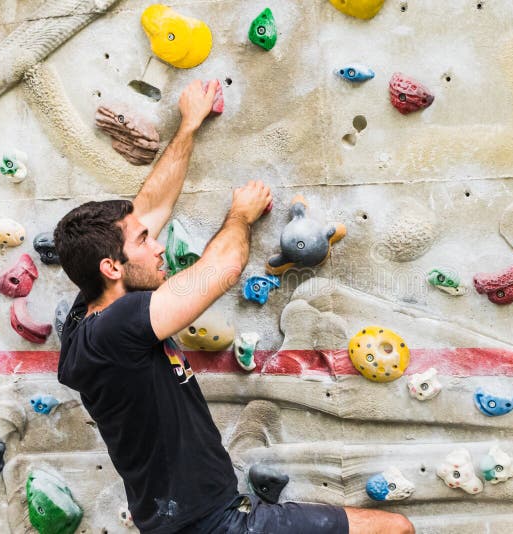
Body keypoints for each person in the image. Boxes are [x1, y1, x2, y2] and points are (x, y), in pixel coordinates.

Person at [54, 80, 415, 534]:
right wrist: (240, 216)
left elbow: (145, 209)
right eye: (145, 242)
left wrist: (187, 128)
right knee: (395, 528)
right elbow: (221, 269)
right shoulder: (120, 326)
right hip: (213, 525)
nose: (158, 244)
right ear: (111, 267)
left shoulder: (83, 320)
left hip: (178, 522)